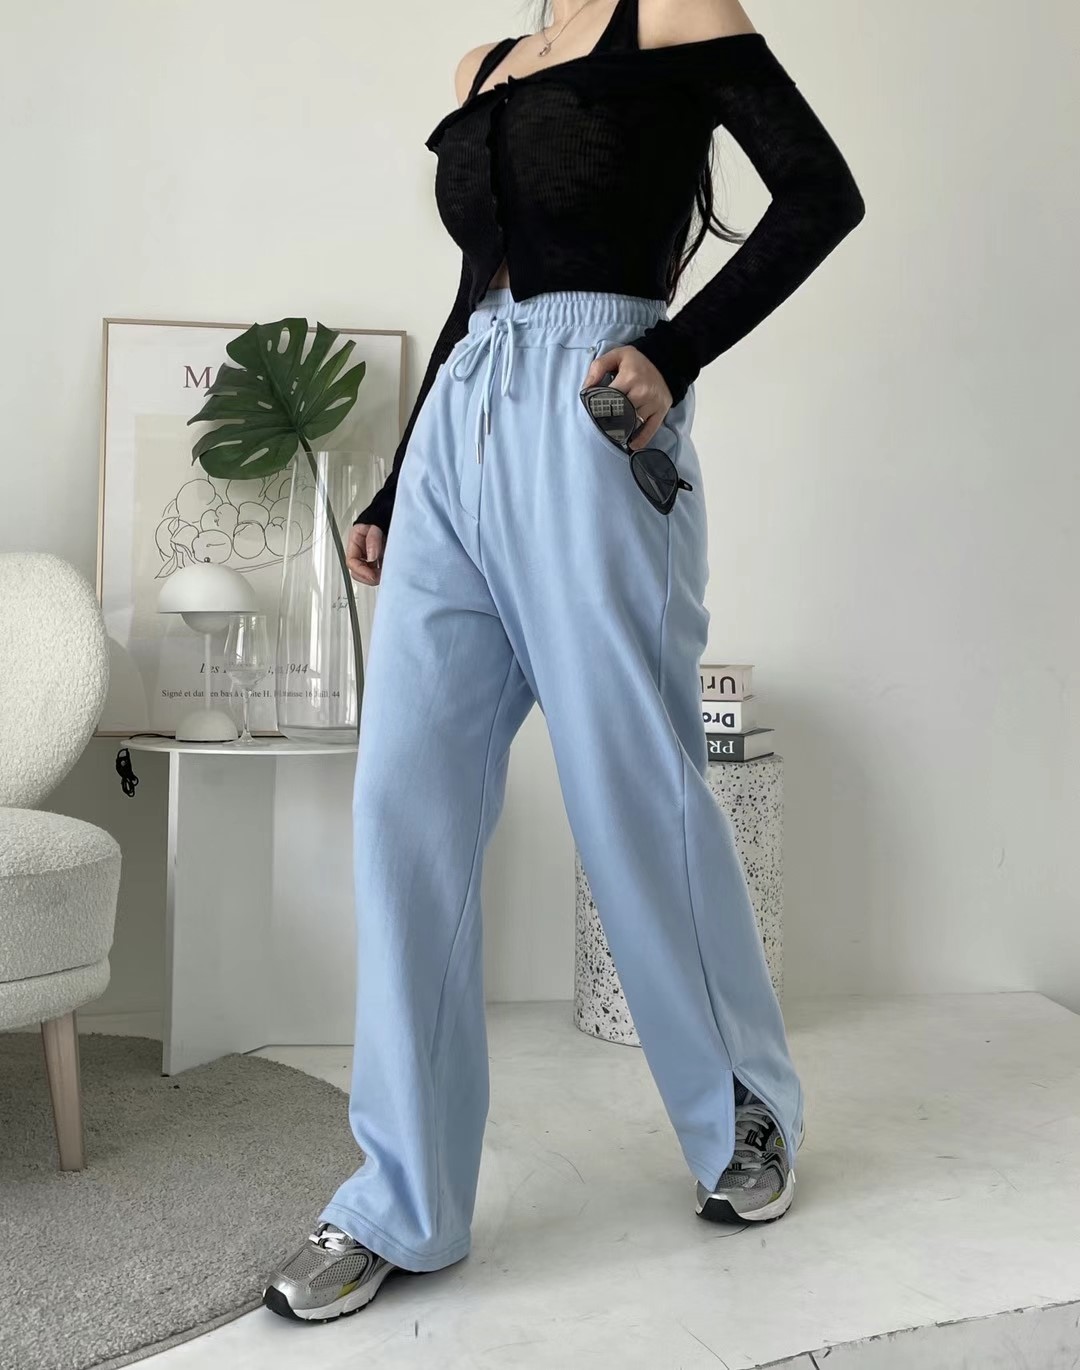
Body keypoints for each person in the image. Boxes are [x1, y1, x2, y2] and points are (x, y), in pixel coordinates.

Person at [263, 0, 864, 1322]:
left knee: (630, 788)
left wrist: (671, 352)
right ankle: (401, 1196)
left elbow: (821, 194)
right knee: (403, 805)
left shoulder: (676, 13)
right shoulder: (481, 66)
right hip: (462, 432)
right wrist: (400, 483)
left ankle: (744, 1111)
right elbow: (475, 292)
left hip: (593, 423)